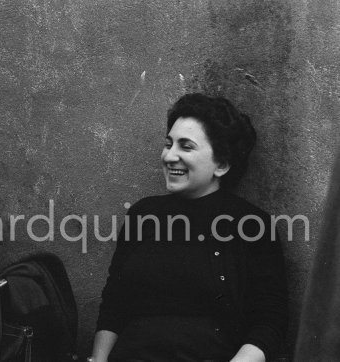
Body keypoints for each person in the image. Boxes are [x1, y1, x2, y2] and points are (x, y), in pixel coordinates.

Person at [90, 94, 288, 362]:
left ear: (222, 164)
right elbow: (114, 304)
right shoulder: (144, 214)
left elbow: (269, 320)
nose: (170, 156)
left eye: (186, 147)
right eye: (168, 144)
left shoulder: (251, 224)